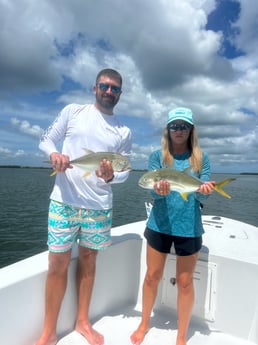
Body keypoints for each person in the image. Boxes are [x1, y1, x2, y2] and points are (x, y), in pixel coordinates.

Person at [37, 68, 132, 345]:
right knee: (57, 263)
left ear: (120, 94)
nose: (109, 91)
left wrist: (111, 175)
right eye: (104, 86)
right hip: (63, 202)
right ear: (94, 88)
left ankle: (82, 321)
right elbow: (46, 139)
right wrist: (54, 154)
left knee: (89, 262)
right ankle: (48, 333)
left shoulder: (123, 131)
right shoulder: (73, 111)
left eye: (115, 88)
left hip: (98, 206)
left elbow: (125, 170)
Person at [130, 107, 215, 345]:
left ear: (191, 130)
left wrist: (204, 191)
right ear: (168, 130)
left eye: (184, 126)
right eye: (174, 126)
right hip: (159, 224)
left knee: (185, 281)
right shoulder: (158, 157)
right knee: (152, 276)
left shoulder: (201, 159)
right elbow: (152, 191)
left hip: (189, 227)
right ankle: (144, 323)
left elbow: (203, 199)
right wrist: (158, 191)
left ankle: (181, 335)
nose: (179, 130)